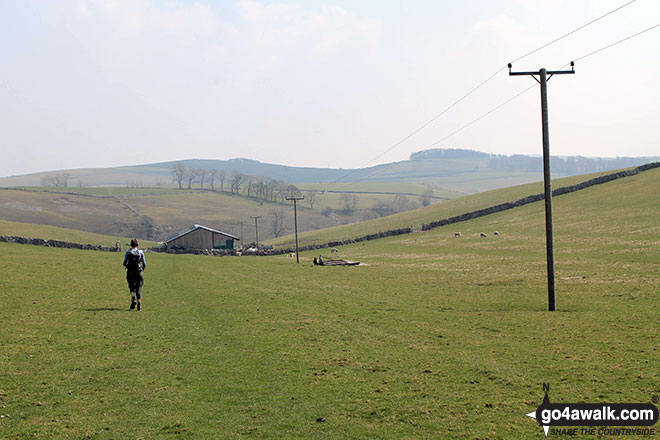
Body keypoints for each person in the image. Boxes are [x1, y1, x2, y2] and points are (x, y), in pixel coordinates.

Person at [123, 238, 147, 311]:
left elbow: (124, 263)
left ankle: (133, 299)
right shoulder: (141, 252)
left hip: (130, 272)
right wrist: (142, 270)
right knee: (139, 287)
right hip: (139, 272)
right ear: (137, 244)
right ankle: (139, 305)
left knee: (131, 286)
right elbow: (144, 263)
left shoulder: (128, 252)